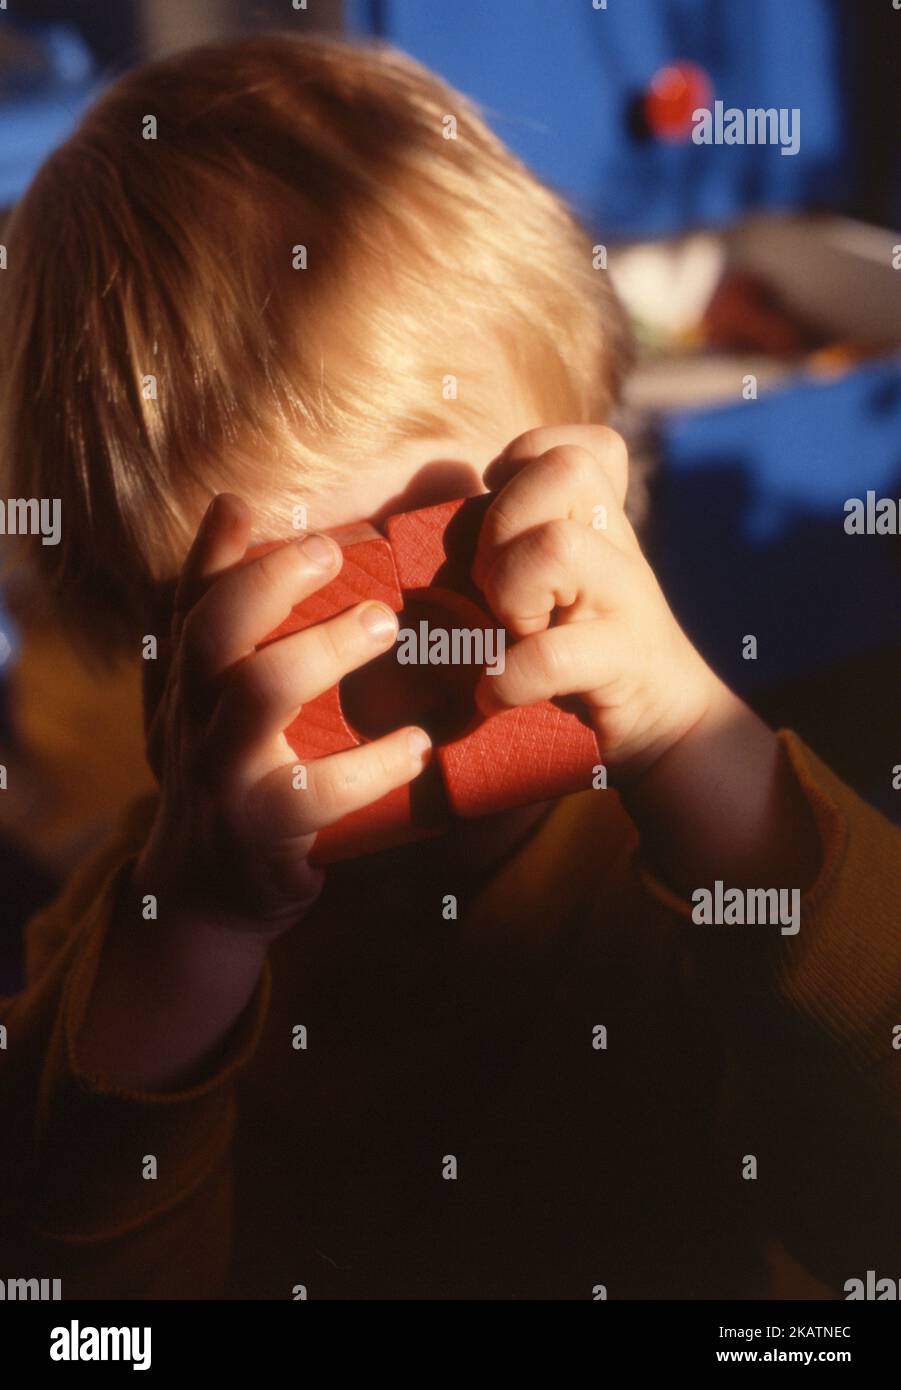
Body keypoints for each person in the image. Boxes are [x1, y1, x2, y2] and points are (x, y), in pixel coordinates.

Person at [0, 35, 898, 1300]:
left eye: (451, 561)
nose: (404, 683)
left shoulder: (684, 862)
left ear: (603, 492)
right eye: (276, 638)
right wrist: (196, 933)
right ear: (146, 653)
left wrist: (702, 743)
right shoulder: (131, 938)